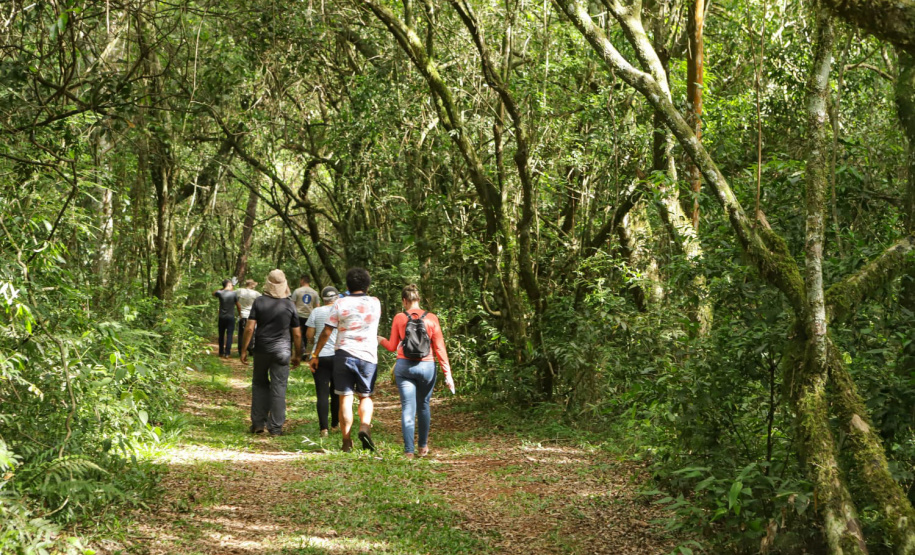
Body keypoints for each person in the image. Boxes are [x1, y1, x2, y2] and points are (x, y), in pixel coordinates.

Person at [379, 284, 455, 459]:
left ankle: (408, 452)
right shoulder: (432, 318)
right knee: (423, 406)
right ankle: (423, 447)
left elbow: (391, 346)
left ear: (404, 301)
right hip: (427, 366)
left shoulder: (399, 317)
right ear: (419, 300)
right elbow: (440, 348)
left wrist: (380, 339)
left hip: (404, 367)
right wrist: (447, 374)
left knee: (408, 407)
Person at [310, 268, 381, 452]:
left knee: (345, 398)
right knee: (366, 396)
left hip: (344, 354)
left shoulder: (340, 303)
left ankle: (346, 441)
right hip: (368, 356)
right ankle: (365, 425)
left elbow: (327, 331)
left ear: (348, 285)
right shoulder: (375, 303)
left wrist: (315, 354)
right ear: (367, 285)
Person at [240, 270, 302, 436]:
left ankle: (259, 424)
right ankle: (275, 428)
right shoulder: (290, 305)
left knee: (259, 384)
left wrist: (244, 349)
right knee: (279, 387)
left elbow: (250, 327)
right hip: (282, 352)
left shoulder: (259, 302)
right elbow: (296, 333)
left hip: (262, 350)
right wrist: (298, 354)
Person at [305, 286, 341, 437]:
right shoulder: (341, 311)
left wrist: (314, 343)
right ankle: (335, 424)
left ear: (323, 299)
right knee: (337, 393)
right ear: (336, 298)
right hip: (338, 355)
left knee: (322, 393)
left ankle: (323, 429)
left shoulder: (316, 312)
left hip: (320, 356)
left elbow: (309, 334)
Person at [213, 279, 240, 358]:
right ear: (228, 285)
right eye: (231, 285)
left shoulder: (220, 293)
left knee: (221, 335)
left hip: (221, 317)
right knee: (229, 335)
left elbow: (213, 293)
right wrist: (240, 314)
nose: (232, 286)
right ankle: (227, 353)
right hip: (230, 317)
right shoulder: (234, 294)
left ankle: (221, 352)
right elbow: (238, 305)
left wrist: (222, 289)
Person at [237, 279, 262, 356]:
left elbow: (232, 295)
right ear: (252, 285)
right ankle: (251, 349)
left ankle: (241, 349)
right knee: (252, 332)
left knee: (242, 333)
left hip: (242, 315)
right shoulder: (256, 294)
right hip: (251, 316)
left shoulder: (239, 291)